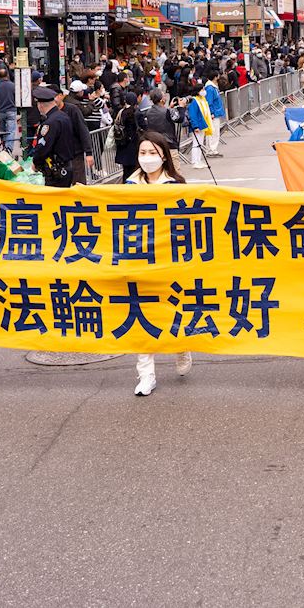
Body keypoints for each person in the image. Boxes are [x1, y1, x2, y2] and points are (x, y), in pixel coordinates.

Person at [124, 131, 194, 395]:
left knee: (173, 308)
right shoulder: (128, 186)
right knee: (141, 314)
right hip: (138, 260)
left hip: (170, 261)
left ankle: (181, 346)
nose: (147, 157)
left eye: (152, 152)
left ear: (164, 156)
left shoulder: (176, 186)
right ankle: (146, 374)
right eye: (143, 152)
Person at [31, 87, 76, 187]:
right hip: (66, 166)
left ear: (40, 105)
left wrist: (35, 162)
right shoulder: (64, 116)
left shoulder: (50, 123)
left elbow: (43, 147)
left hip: (55, 170)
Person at [56, 86, 95, 184]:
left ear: (60, 96)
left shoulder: (72, 109)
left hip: (75, 154)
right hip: (58, 157)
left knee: (78, 182)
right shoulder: (50, 112)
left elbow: (83, 130)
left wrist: (88, 153)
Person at [113, 94, 150, 181]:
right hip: (134, 145)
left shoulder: (121, 112)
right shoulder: (137, 113)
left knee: (126, 172)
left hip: (123, 145)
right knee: (135, 172)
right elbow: (145, 128)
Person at [185, 82, 214, 169]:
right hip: (197, 125)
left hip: (203, 124)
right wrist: (195, 126)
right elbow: (193, 115)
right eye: (202, 89)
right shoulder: (194, 101)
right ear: (198, 91)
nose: (204, 91)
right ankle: (195, 161)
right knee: (196, 144)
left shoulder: (202, 99)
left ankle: (199, 160)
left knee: (200, 143)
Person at [0, 66, 18, 155]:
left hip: (1, 112)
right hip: (11, 110)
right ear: (7, 75)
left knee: (2, 131)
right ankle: (8, 149)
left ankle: (4, 148)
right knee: (11, 131)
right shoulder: (13, 86)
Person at [203, 71, 226, 157]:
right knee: (213, 132)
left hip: (215, 112)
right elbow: (209, 102)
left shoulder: (212, 87)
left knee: (215, 132)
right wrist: (212, 112)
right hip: (214, 113)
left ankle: (212, 149)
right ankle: (211, 150)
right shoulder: (210, 88)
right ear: (215, 77)